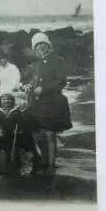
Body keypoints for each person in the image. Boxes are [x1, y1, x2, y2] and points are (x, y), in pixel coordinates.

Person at [26, 32, 72, 175]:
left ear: (48, 45)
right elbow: (36, 81)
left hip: (53, 102)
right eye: (38, 45)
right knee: (35, 131)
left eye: (43, 44)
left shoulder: (57, 60)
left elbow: (61, 82)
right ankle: (44, 160)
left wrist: (43, 89)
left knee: (50, 134)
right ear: (35, 48)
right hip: (38, 103)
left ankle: (51, 165)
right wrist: (29, 86)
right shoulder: (37, 63)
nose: (41, 47)